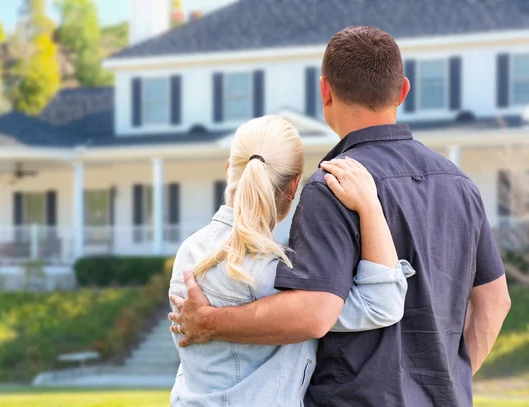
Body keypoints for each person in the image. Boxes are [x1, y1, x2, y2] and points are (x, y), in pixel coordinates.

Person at [169, 26, 511, 407]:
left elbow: (312, 312)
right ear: (402, 92)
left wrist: (210, 322)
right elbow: (495, 302)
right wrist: (448, 384)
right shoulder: (461, 185)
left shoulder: (332, 185)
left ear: (325, 92)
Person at [169, 115, 414, 406]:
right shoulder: (279, 272)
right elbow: (381, 303)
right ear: (294, 185)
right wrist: (370, 206)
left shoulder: (189, 251)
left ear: (228, 170)